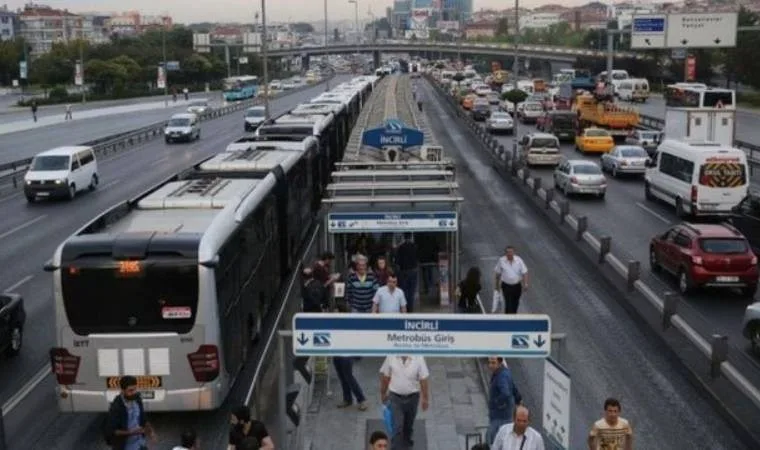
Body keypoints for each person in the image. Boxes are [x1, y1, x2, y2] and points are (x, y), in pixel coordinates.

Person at [379, 355, 430, 450]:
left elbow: (423, 379)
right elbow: (386, 377)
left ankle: (407, 441)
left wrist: (425, 398)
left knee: (408, 425)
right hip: (395, 397)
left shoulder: (419, 358)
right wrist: (383, 393)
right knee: (397, 427)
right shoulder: (391, 356)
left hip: (413, 397)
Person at [104, 375, 155, 450]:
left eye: (135, 389)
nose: (134, 392)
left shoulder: (137, 398)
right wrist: (132, 432)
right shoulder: (116, 406)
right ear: (122, 390)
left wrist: (151, 432)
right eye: (130, 390)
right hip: (125, 446)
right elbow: (112, 431)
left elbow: (143, 418)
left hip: (140, 444)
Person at [486, 357, 521, 445]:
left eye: (493, 363)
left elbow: (505, 393)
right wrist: (518, 399)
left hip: (500, 415)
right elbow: (513, 387)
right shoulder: (506, 372)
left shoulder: (501, 377)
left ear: (500, 363)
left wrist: (496, 403)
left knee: (492, 438)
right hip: (507, 412)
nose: (490, 365)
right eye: (489, 363)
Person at [493, 246, 529, 314]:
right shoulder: (501, 260)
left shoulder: (519, 260)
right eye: (507, 252)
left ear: (514, 252)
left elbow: (525, 272)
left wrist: (526, 283)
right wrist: (496, 285)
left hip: (517, 286)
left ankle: (513, 317)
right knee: (508, 303)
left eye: (511, 252)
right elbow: (498, 273)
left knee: (515, 303)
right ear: (505, 253)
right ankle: (508, 319)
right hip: (506, 286)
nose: (509, 254)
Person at [394, 233, 418, 312]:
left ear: (404, 237)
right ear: (411, 237)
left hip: (403, 272)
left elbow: (397, 261)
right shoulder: (415, 246)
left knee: (404, 292)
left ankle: (405, 309)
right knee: (411, 292)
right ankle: (410, 309)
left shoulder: (400, 247)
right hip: (413, 271)